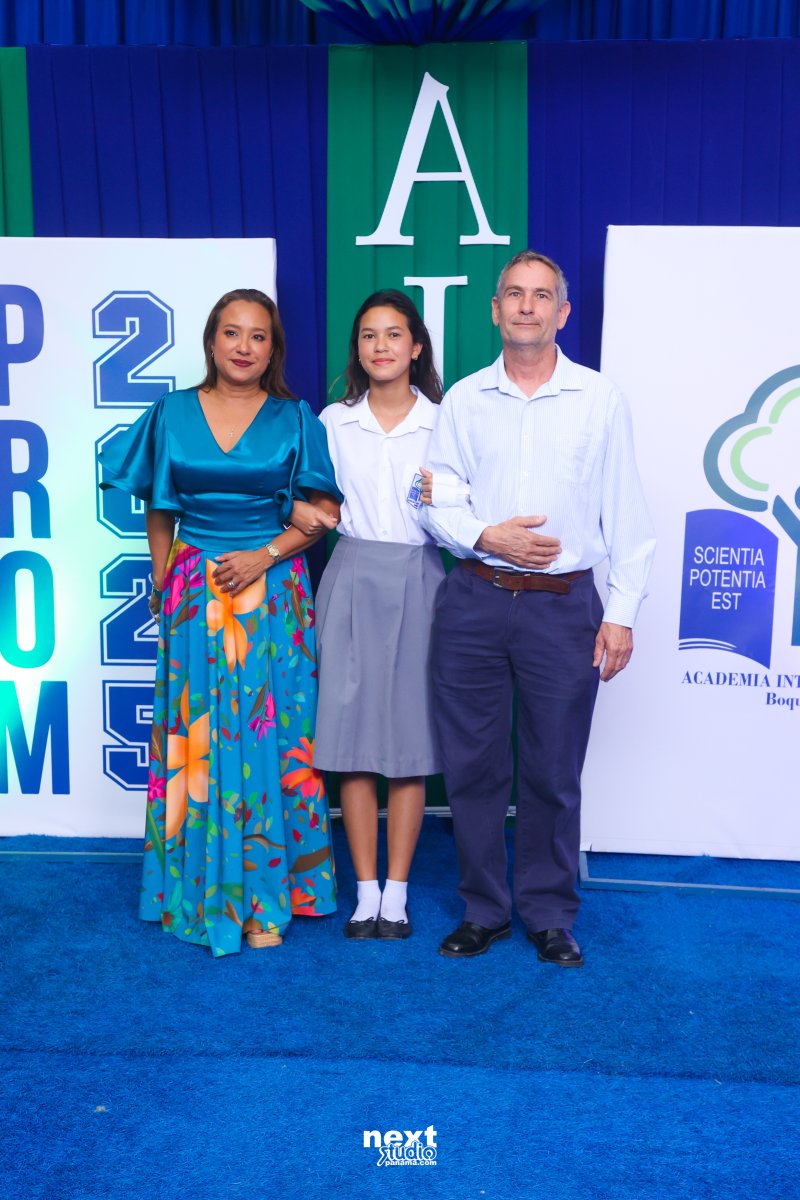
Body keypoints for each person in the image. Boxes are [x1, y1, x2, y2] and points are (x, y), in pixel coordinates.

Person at [417, 250, 656, 966]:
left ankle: (550, 913)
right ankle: (484, 910)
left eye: (541, 295)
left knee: (553, 768)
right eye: (514, 294)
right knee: (473, 766)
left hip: (563, 607)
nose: (527, 306)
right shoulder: (464, 400)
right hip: (474, 598)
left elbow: (627, 514)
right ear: (495, 310)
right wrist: (484, 536)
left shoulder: (599, 399)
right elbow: (433, 498)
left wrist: (621, 613)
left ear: (562, 312)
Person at [100, 288, 343, 957]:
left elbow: (324, 516)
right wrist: (163, 577)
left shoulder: (295, 418)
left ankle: (266, 898)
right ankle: (193, 887)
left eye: (258, 336)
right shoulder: (171, 413)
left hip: (272, 593)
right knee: (199, 737)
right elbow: (158, 504)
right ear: (211, 341)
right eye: (232, 333)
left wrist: (263, 555)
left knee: (272, 736)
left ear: (273, 349)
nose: (243, 347)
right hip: (193, 592)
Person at [289, 289, 450, 940]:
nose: (380, 346)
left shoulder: (445, 421)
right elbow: (301, 499)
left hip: (421, 575)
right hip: (350, 573)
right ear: (357, 349)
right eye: (367, 335)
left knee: (408, 741)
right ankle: (364, 890)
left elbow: (466, 506)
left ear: (416, 346)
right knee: (352, 739)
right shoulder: (332, 422)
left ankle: (398, 891)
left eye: (393, 334)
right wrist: (305, 514)